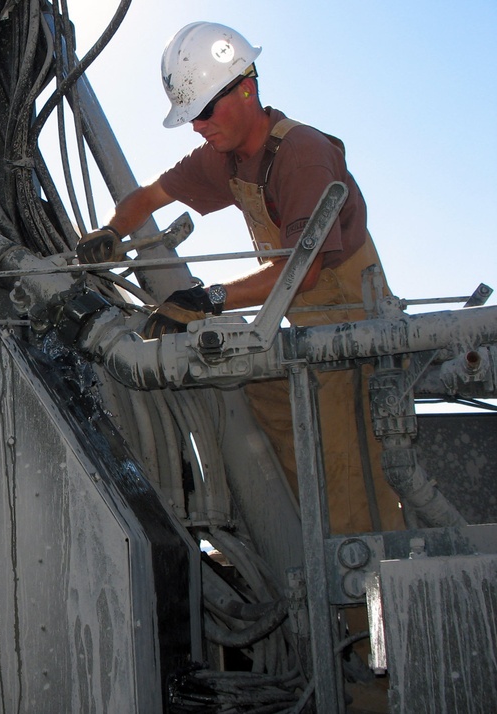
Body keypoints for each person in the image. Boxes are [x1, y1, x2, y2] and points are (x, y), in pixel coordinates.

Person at [77, 21, 404, 537]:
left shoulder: (302, 153)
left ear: (246, 86)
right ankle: (291, 543)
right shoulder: (226, 159)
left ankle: (360, 605)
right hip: (304, 326)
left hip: (353, 336)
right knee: (259, 398)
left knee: (345, 472)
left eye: (204, 110)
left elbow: (305, 268)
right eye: (190, 116)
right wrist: (110, 232)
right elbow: (149, 196)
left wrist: (210, 298)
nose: (197, 126)